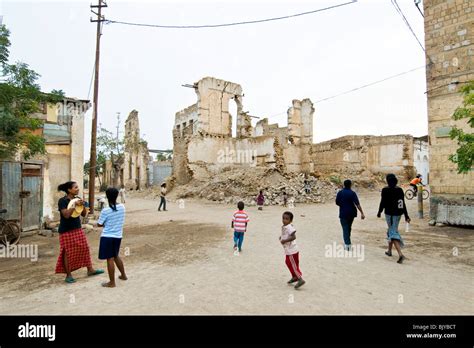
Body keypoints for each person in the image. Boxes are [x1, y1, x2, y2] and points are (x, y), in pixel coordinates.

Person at [55, 181, 104, 283]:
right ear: (69, 190)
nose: (78, 189)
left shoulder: (78, 199)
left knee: (85, 248)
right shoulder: (62, 201)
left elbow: (84, 214)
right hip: (66, 230)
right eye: (75, 187)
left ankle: (90, 270)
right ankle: (68, 275)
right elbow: (66, 215)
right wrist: (74, 205)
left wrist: (83, 205)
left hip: (77, 228)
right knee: (67, 252)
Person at [97, 187, 127, 288]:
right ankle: (123, 275)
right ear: (117, 195)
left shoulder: (105, 210)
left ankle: (112, 282)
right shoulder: (122, 207)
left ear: (107, 196)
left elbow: (99, 224)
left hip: (107, 236)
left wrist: (106, 223)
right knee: (115, 256)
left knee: (109, 258)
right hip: (118, 236)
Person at [377, 173, 411, 264]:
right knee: (390, 230)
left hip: (390, 214)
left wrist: (379, 211)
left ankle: (400, 254)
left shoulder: (385, 190)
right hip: (398, 214)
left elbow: (382, 202)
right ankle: (389, 251)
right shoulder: (399, 190)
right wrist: (406, 216)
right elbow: (402, 203)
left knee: (393, 232)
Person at [335, 179, 365, 251]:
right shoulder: (352, 193)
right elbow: (357, 204)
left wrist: (342, 205)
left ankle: (347, 244)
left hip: (343, 213)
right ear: (350, 185)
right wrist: (362, 213)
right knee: (349, 227)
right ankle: (348, 241)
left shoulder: (340, 193)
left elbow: (337, 202)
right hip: (352, 213)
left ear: (344, 185)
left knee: (345, 228)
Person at [279, 211, 305, 289]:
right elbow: (285, 234)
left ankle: (300, 279)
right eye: (283, 218)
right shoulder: (285, 226)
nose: (284, 220)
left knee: (293, 265)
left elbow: (293, 237)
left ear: (290, 220)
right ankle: (294, 276)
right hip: (289, 250)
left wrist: (285, 240)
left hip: (292, 250)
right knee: (288, 262)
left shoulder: (289, 227)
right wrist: (281, 238)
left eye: (286, 219)